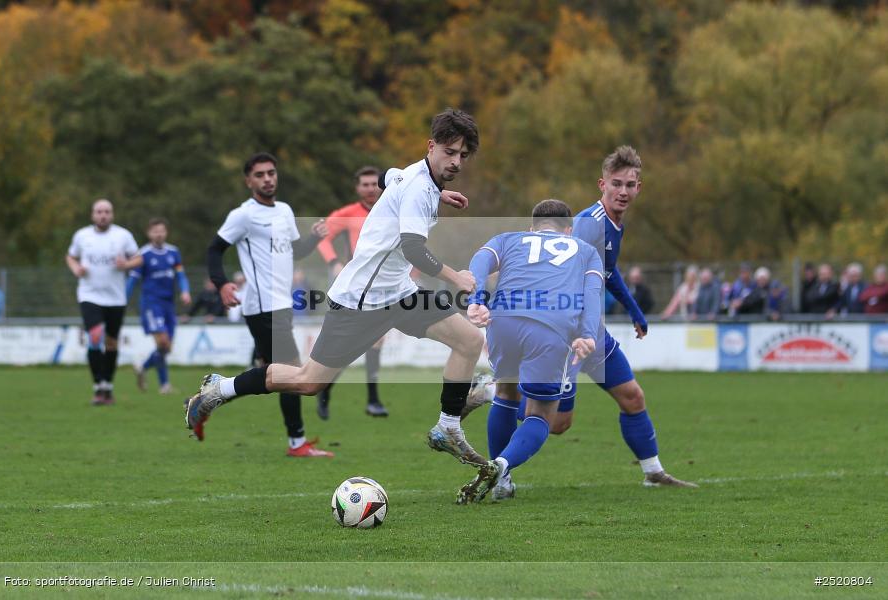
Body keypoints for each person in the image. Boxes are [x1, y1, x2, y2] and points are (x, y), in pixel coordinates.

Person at [185, 109, 486, 469]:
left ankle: (448, 427)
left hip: (399, 294)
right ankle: (220, 389)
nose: (456, 162)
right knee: (308, 381)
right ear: (431, 146)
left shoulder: (411, 175)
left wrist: (440, 193)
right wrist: (457, 278)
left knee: (469, 340)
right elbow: (413, 249)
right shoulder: (419, 189)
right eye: (449, 152)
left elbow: (386, 177)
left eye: (463, 155)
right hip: (361, 300)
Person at [456, 199, 603, 504]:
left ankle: (502, 483)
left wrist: (477, 299)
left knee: (507, 393)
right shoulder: (586, 251)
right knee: (542, 414)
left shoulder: (508, 239)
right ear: (569, 229)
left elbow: (480, 261)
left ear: (532, 228)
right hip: (551, 327)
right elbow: (592, 293)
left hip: (503, 321)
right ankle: (501, 466)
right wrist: (588, 335)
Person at [568, 146, 696, 487]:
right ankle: (492, 391)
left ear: (639, 188)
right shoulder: (589, 224)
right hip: (570, 332)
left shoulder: (614, 225)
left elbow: (608, 273)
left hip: (591, 332)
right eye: (616, 184)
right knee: (556, 422)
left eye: (629, 185)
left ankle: (653, 472)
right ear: (602, 184)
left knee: (632, 396)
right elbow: (566, 275)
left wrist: (635, 311)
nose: (623, 191)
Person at [200, 152, 332, 457]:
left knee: (274, 375)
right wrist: (222, 284)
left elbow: (294, 251)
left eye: (271, 172)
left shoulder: (285, 210)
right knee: (291, 374)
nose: (267, 179)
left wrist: (313, 239)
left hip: (281, 305)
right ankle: (296, 443)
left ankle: (211, 396)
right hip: (261, 306)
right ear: (248, 181)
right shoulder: (243, 215)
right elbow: (214, 250)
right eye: (259, 175)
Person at [314, 166, 389, 418]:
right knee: (353, 345)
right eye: (365, 184)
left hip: (383, 287)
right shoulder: (348, 214)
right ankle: (326, 389)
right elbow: (322, 236)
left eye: (374, 184)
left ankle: (372, 401)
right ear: (357, 188)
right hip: (356, 288)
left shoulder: (391, 209)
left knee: (375, 341)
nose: (370, 189)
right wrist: (334, 262)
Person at [66, 199, 142, 405]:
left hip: (116, 298)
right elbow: (71, 257)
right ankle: (97, 385)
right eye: (99, 211)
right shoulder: (82, 235)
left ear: (112, 214)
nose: (103, 215)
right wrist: (76, 269)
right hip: (89, 296)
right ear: (93, 215)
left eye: (107, 211)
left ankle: (107, 385)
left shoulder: (123, 235)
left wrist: (126, 264)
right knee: (95, 336)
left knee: (111, 343)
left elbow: (138, 259)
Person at [127, 218, 192, 394]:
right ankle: (164, 385)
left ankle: (144, 368)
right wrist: (122, 300)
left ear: (166, 232)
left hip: (168, 305)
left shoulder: (173, 252)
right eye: (155, 231)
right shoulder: (143, 254)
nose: (159, 234)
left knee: (166, 347)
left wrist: (185, 291)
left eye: (162, 231)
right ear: (149, 233)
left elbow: (181, 275)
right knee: (162, 341)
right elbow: (132, 280)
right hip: (151, 304)